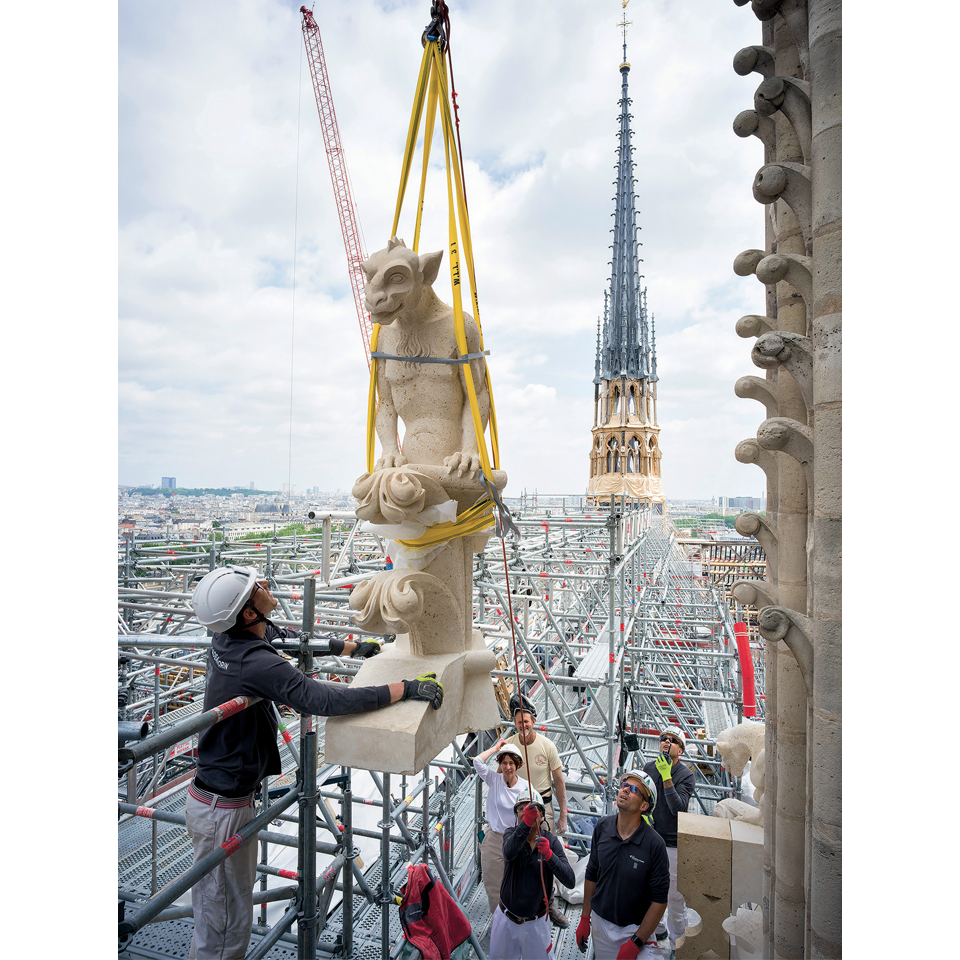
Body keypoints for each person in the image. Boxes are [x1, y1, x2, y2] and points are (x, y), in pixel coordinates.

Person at [186, 565, 444, 960]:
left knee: (225, 908)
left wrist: (351, 648)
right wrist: (404, 688)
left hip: (219, 799)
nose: (267, 585)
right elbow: (323, 700)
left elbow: (284, 637)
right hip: (223, 808)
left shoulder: (231, 637)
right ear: (250, 613)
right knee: (225, 924)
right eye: (257, 588)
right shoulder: (254, 662)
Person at [575, 770, 669, 960]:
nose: (625, 790)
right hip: (601, 925)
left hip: (635, 930)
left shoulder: (654, 845)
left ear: (644, 805)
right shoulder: (602, 827)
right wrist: (585, 917)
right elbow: (592, 873)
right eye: (624, 785)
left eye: (634, 789)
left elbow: (660, 900)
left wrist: (636, 942)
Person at [503, 693, 569, 928]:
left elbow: (558, 780)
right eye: (519, 722)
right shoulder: (511, 745)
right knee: (516, 853)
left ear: (533, 721)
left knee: (544, 854)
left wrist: (562, 814)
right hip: (519, 810)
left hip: (544, 807)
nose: (523, 725)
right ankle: (514, 899)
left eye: (526, 721)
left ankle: (549, 904)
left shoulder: (546, 746)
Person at [491, 790, 575, 960]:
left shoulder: (550, 841)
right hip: (506, 919)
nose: (525, 811)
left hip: (537, 923)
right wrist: (525, 825)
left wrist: (550, 856)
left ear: (542, 815)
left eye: (531, 808)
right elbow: (508, 853)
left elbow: (570, 880)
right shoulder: (511, 834)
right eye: (520, 808)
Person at [642, 726, 696, 955]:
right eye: (664, 738)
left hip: (672, 843)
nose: (666, 742)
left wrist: (666, 777)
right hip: (649, 840)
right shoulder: (648, 768)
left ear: (680, 749)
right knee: (648, 892)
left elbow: (678, 808)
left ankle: (678, 944)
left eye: (673, 740)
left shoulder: (685, 775)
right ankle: (655, 933)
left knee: (674, 897)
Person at [473, 737, 527, 912]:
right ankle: (498, 921)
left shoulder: (526, 788)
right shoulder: (494, 779)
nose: (508, 767)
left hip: (516, 840)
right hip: (494, 840)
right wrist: (496, 748)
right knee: (493, 885)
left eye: (511, 763)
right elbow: (477, 761)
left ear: (517, 764)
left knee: (517, 884)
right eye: (504, 762)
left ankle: (514, 920)